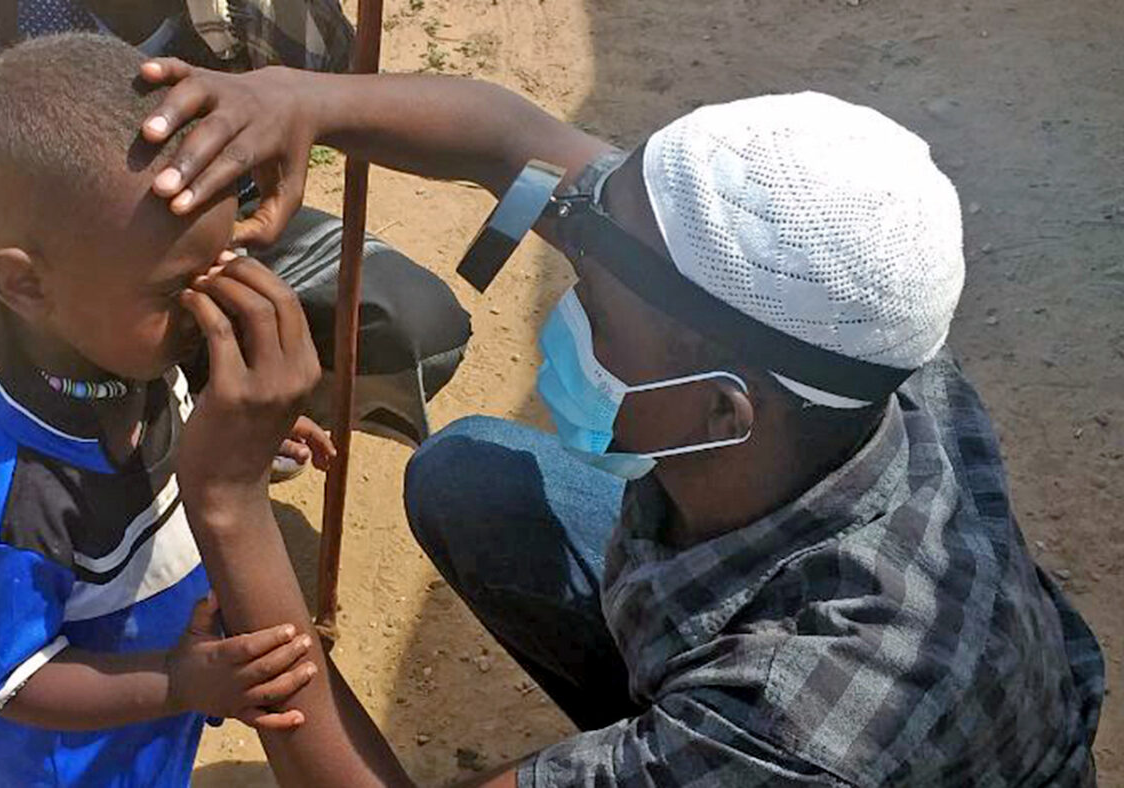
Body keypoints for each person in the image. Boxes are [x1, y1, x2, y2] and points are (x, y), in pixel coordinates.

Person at [143, 62, 1106, 786]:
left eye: (594, 310)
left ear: (720, 408)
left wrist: (229, 502)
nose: (568, 317)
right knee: (471, 479)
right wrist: (295, 98)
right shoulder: (843, 338)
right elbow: (506, 140)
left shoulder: (802, 725)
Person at [0, 34, 330, 786]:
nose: (210, 306)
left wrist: (240, 436)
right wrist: (176, 681)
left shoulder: (119, 350)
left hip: (157, 723)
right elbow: (13, 681)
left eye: (223, 262)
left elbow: (171, 427)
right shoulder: (7, 506)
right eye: (175, 288)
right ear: (27, 285)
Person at [0, 0, 471, 461]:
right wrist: (158, 419)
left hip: (217, 233)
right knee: (53, 438)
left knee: (410, 327)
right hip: (68, 286)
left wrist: (305, 101)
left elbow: (343, 80)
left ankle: (189, 393)